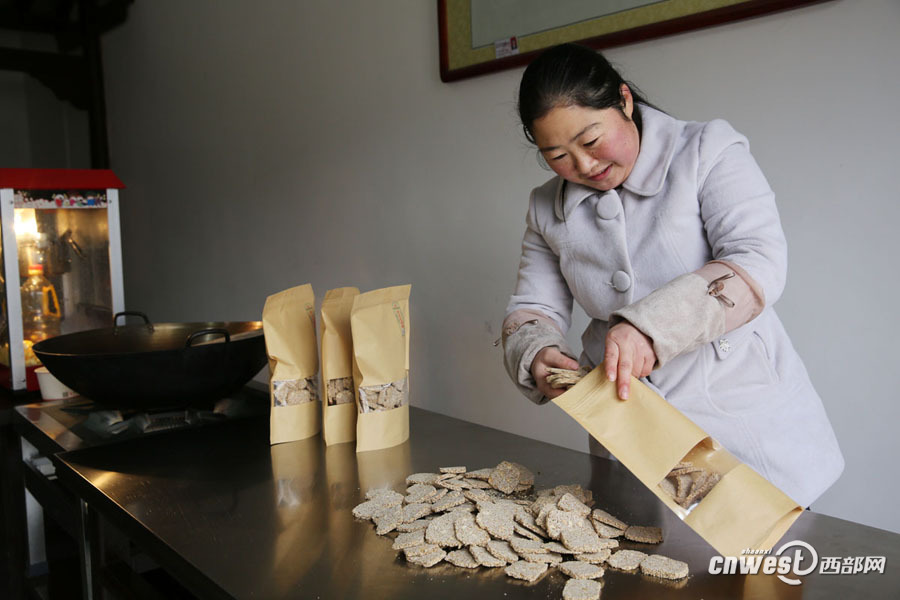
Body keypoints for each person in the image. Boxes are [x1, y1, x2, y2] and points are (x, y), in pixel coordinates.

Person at [501, 43, 843, 508]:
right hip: (629, 434)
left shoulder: (706, 150)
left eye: (591, 141)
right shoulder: (546, 207)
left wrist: (649, 329)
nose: (583, 166)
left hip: (742, 419)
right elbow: (534, 307)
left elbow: (757, 259)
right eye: (557, 155)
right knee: (640, 545)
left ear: (624, 100)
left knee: (768, 545)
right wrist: (537, 353)